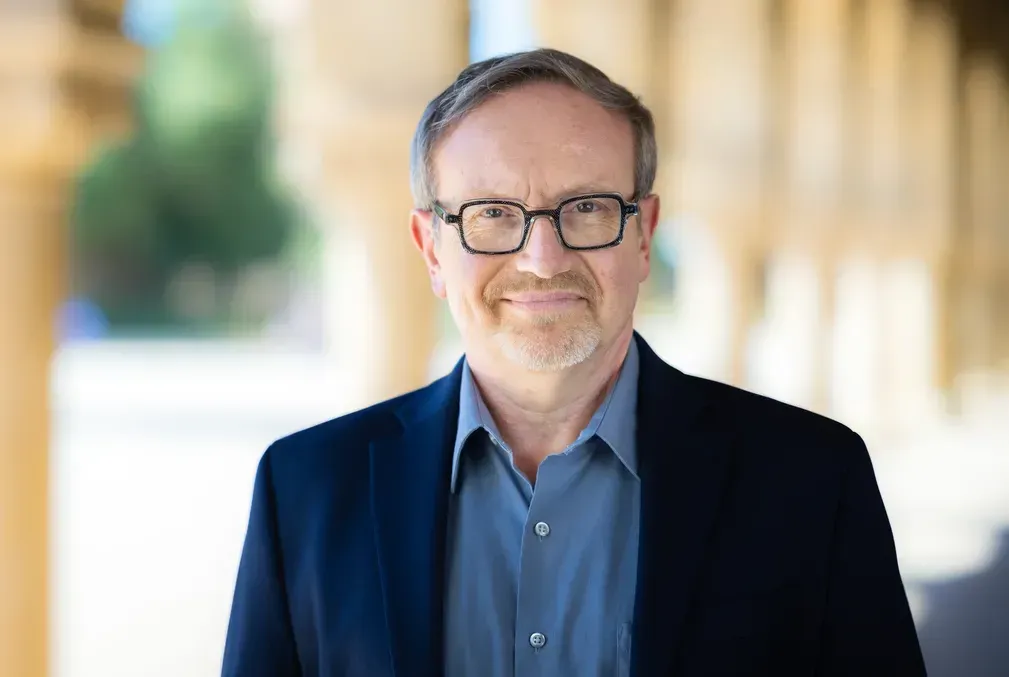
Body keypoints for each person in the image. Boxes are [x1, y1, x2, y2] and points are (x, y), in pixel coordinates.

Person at [221, 48, 926, 677]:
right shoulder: (306, 489)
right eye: (491, 213)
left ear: (643, 234)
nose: (541, 259)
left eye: (585, 208)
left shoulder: (812, 479)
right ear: (431, 248)